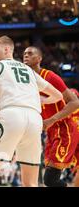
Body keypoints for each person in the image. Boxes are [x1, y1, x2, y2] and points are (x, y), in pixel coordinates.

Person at [0, 36, 63, 187]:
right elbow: (58, 95)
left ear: (7, 49)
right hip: (35, 120)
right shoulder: (29, 70)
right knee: (31, 183)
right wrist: (41, 100)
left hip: (11, 116)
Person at [23, 46, 79, 187]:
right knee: (49, 180)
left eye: (30, 53)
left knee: (50, 180)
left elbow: (75, 102)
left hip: (64, 129)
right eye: (24, 54)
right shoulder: (25, 81)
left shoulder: (49, 76)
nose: (26, 56)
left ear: (39, 58)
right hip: (51, 132)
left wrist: (52, 119)